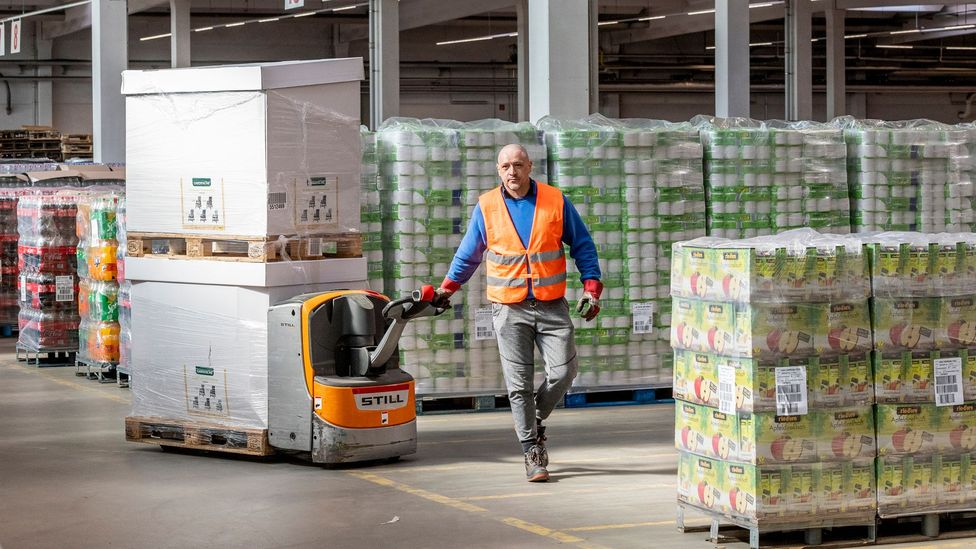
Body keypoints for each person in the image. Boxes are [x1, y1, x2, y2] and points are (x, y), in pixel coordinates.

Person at [434, 143, 602, 482]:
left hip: (552, 306)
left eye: (519, 165)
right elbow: (469, 254)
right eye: (506, 166)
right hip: (508, 310)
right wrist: (447, 288)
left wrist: (592, 287)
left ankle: (533, 417)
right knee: (518, 385)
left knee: (564, 372)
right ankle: (532, 449)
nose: (513, 172)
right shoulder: (487, 206)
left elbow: (582, 244)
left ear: (530, 166)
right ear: (498, 170)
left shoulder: (555, 200)